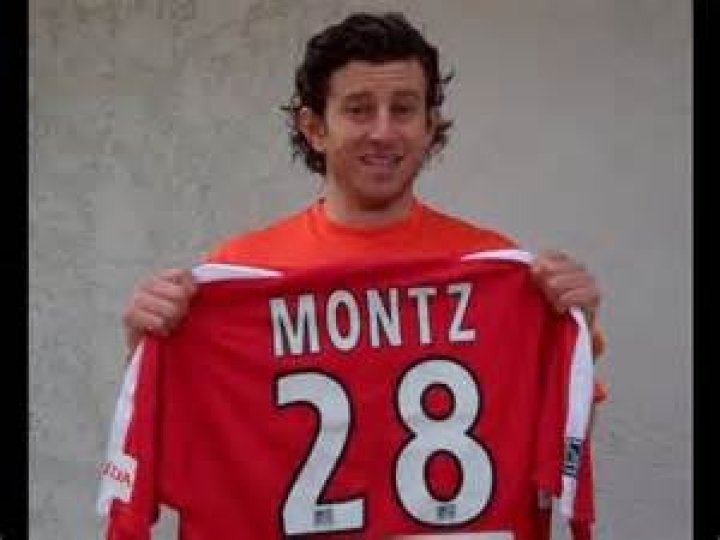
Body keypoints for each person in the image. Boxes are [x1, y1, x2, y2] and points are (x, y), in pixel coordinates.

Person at [120, 12, 607, 402]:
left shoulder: (492, 271)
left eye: (403, 109)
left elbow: (558, 442)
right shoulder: (241, 275)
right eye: (358, 110)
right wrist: (147, 348)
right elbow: (180, 432)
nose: (383, 132)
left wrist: (574, 328)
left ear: (430, 125)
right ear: (315, 128)